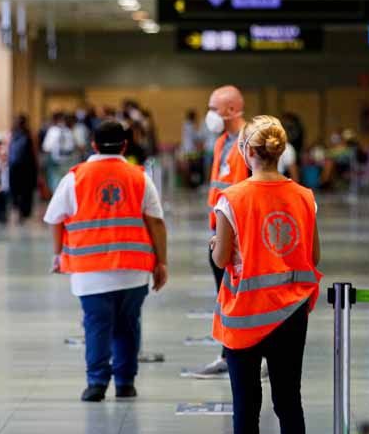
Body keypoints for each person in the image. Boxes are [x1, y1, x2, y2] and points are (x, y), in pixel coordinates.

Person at [211, 116, 321, 434]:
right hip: (291, 313)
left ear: (248, 152)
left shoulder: (232, 198)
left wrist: (218, 244)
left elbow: (222, 258)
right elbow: (313, 254)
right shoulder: (305, 197)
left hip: (246, 315)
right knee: (289, 401)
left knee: (246, 404)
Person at [45, 120, 169, 402]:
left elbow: (55, 218)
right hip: (134, 270)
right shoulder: (140, 177)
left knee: (97, 326)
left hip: (90, 272)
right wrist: (162, 262)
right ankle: (125, 383)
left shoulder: (75, 178)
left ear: (92, 144)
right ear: (125, 145)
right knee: (128, 325)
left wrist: (58, 254)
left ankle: (97, 384)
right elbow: (156, 223)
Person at [187, 84, 250, 379]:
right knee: (224, 294)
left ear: (232, 110)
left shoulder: (249, 142)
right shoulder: (222, 141)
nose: (209, 114)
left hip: (240, 231)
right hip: (220, 227)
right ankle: (229, 352)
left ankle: (241, 354)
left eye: (214, 108)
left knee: (241, 295)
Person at [8, 115, 38, 222]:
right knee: (27, 190)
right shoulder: (29, 133)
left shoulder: (12, 133)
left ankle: (17, 209)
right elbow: (34, 151)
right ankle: (25, 212)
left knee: (16, 189)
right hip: (27, 166)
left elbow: (9, 150)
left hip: (14, 166)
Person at [42, 112, 77, 191]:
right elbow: (72, 146)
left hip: (55, 162)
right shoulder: (68, 131)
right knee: (66, 182)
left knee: (55, 183)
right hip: (68, 161)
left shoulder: (53, 131)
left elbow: (46, 148)